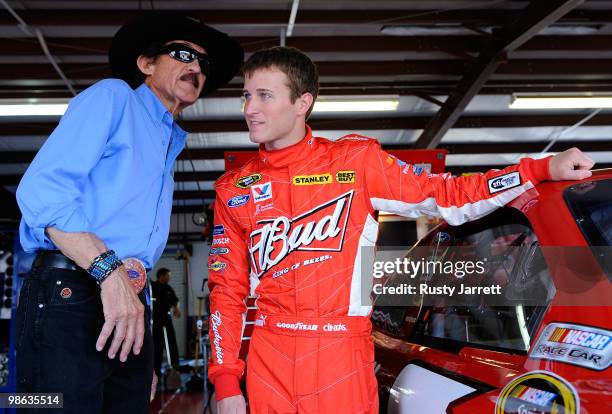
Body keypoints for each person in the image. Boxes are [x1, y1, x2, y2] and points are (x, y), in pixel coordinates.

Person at [207, 46, 595, 414]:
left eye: (263, 96)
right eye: (246, 96)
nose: (250, 109)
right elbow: (227, 292)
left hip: (339, 356)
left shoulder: (355, 161)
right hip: (268, 357)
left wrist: (537, 170)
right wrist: (225, 382)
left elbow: (447, 194)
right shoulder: (234, 189)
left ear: (301, 103)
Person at [14, 11, 243, 413]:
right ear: (146, 64)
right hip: (71, 293)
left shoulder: (166, 138)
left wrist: (141, 350)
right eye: (182, 54)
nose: (196, 67)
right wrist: (107, 271)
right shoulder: (114, 96)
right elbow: (41, 192)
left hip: (127, 302)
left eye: (203, 63)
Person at [151, 267, 181, 379]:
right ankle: (156, 370)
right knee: (157, 345)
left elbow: (175, 300)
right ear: (162, 275)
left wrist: (176, 309)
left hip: (167, 319)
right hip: (156, 319)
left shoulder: (168, 288)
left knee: (171, 342)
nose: (170, 277)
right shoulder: (153, 286)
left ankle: (174, 368)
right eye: (168, 275)